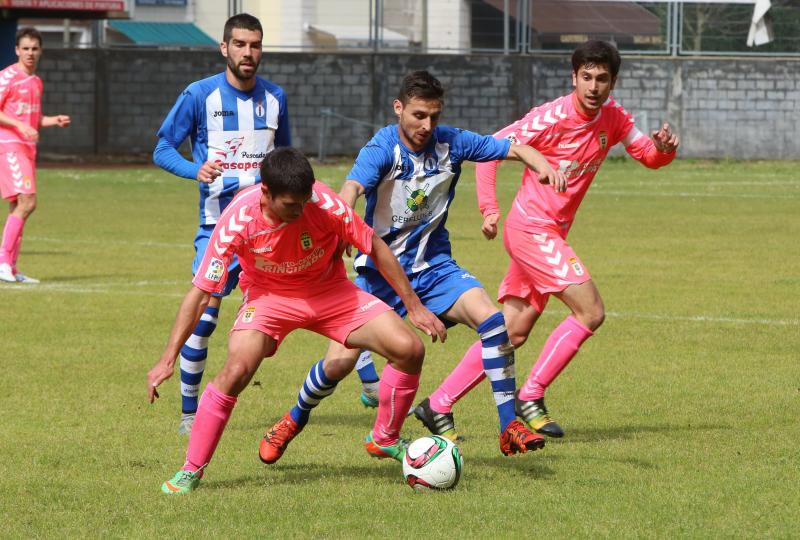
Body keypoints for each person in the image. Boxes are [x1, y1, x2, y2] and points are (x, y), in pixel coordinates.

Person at [259, 70, 567, 465]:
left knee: (493, 322)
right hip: (380, 273)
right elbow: (351, 189)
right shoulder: (382, 148)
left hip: (435, 267)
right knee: (338, 363)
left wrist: (541, 164)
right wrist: (341, 226)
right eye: (419, 115)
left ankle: (508, 427)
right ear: (399, 108)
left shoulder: (452, 142)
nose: (427, 125)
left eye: (434, 117)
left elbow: (513, 147)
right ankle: (293, 419)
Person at [147, 147, 446, 495]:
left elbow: (374, 245)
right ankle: (191, 469)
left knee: (409, 348)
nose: (302, 210)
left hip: (330, 291)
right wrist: (168, 358)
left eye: (305, 201)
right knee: (237, 370)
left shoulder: (323, 203)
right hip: (268, 299)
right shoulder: (237, 219)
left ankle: (384, 438)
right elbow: (200, 293)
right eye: (291, 205)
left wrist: (413, 305)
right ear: (266, 193)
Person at [425, 40, 680, 439]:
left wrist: (663, 152)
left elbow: (646, 153)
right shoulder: (550, 117)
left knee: (511, 331)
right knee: (591, 310)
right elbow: (490, 151)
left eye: (603, 79)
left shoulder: (613, 117)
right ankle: (531, 395)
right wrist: (489, 210)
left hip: (549, 233)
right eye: (587, 77)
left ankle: (437, 403)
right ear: (574, 77)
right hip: (531, 230)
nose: (594, 86)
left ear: (612, 82)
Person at [153, 13, 291, 435]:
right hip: (217, 231)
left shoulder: (276, 98)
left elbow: (285, 160)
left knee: (312, 301)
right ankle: (190, 413)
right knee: (206, 317)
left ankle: (367, 382)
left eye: (255, 45)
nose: (248, 53)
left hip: (269, 233)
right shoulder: (199, 96)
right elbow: (162, 148)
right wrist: (193, 169)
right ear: (225, 48)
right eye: (240, 45)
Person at [0, 27, 71, 283]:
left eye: (34, 48)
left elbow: (33, 118)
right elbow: (13, 119)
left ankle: (12, 268)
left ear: (40, 51)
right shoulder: (8, 77)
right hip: (9, 144)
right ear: (17, 50)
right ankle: (3, 263)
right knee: (28, 202)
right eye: (25, 48)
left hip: (27, 148)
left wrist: (54, 120)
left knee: (18, 205)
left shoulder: (35, 81)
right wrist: (19, 126)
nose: (30, 53)